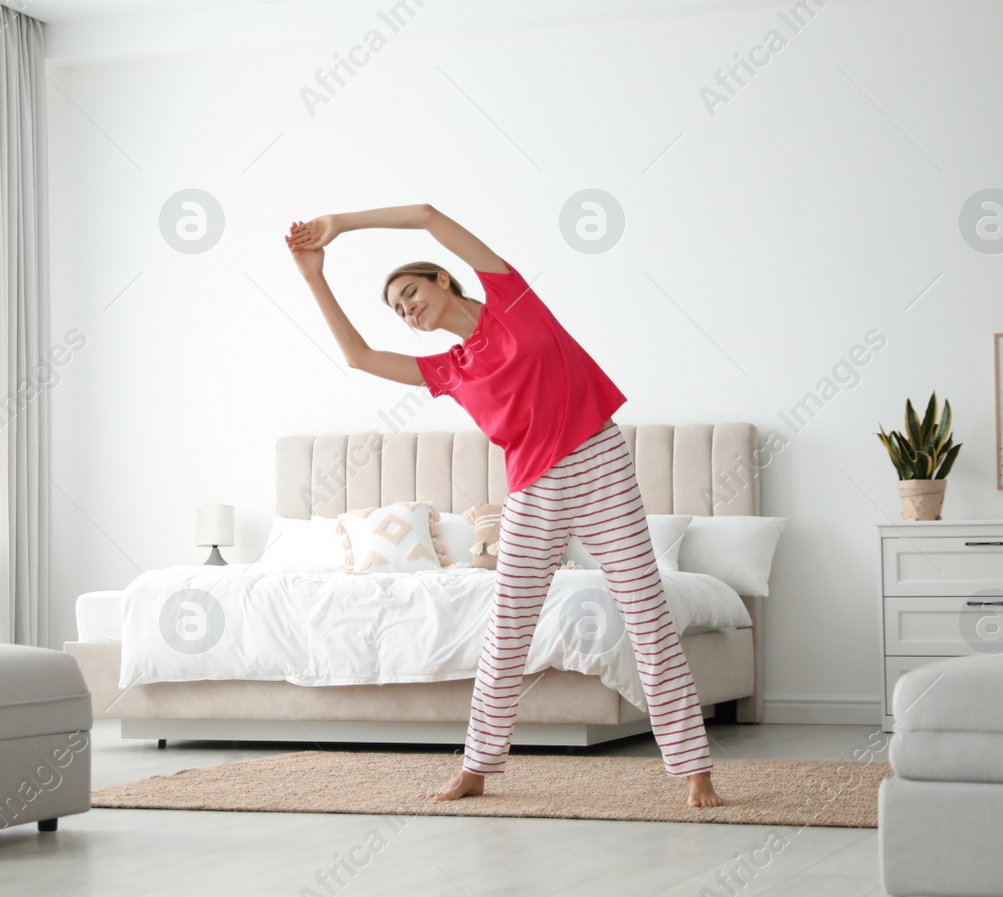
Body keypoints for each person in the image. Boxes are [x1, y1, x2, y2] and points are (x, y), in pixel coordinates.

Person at [284, 204, 723, 809]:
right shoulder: (448, 370)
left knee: (646, 611)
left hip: (599, 463)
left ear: (443, 280)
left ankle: (695, 770)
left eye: (410, 291)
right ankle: (477, 768)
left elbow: (427, 215)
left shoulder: (511, 298)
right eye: (397, 309)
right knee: (508, 629)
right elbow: (358, 356)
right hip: (533, 488)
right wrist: (314, 274)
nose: (407, 308)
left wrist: (342, 224)